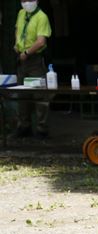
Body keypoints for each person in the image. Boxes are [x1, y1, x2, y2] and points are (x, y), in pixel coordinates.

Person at [13, 0, 52, 138]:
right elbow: (18, 29)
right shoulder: (21, 13)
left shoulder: (41, 16)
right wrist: (16, 44)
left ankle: (42, 128)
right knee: (22, 93)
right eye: (23, 0)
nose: (26, 3)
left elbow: (41, 41)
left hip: (34, 58)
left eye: (29, 0)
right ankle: (24, 126)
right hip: (21, 58)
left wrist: (27, 53)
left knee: (39, 94)